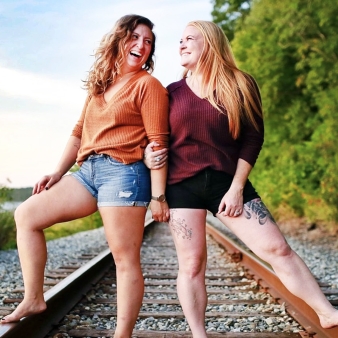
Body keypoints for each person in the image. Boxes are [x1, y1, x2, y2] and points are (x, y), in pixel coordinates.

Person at [144, 20, 338, 337]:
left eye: (189, 38)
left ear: (210, 43)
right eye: (179, 40)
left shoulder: (239, 83)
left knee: (278, 249)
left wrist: (236, 188)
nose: (181, 44)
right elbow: (156, 141)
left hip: (227, 182)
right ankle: (198, 334)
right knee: (191, 265)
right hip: (182, 187)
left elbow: (252, 138)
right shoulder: (170, 93)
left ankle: (327, 313)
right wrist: (149, 162)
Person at [0, 14, 170, 338]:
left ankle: (122, 335)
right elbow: (78, 133)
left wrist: (158, 197)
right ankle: (34, 299)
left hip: (124, 172)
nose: (141, 45)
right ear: (119, 39)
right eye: (135, 37)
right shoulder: (101, 84)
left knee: (124, 258)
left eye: (148, 41)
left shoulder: (149, 86)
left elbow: (158, 143)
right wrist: (58, 172)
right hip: (87, 171)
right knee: (26, 214)